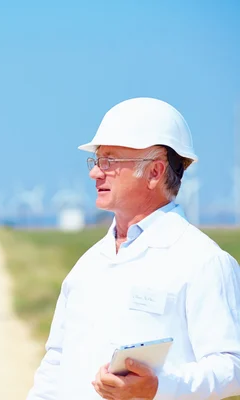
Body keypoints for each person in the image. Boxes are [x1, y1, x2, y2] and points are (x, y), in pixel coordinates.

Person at [26, 97, 240, 399]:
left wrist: (158, 386)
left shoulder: (204, 261)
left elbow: (232, 366)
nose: (95, 172)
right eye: (97, 160)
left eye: (110, 161)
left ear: (154, 172)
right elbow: (56, 361)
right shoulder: (89, 264)